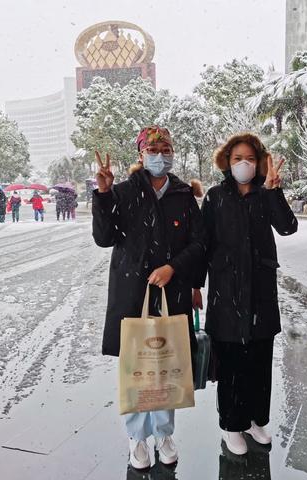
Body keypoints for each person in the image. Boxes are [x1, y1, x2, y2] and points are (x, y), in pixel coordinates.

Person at [92, 126, 205, 470]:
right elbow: (104, 237)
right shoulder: (124, 192)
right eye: (152, 147)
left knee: (167, 363)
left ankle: (164, 433)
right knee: (138, 365)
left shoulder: (184, 195)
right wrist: (103, 193)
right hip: (132, 291)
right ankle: (137, 438)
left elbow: (199, 243)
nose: (160, 153)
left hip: (172, 291)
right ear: (140, 154)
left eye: (166, 147)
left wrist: (179, 272)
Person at [194, 133, 298, 456]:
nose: (244, 164)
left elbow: (288, 227)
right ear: (227, 161)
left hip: (260, 295)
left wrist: (275, 191)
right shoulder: (214, 197)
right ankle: (231, 426)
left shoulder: (265, 195)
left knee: (258, 361)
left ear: (259, 162)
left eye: (250, 159)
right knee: (231, 365)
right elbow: (202, 243)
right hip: (226, 294)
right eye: (238, 158)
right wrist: (196, 284)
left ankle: (255, 420)